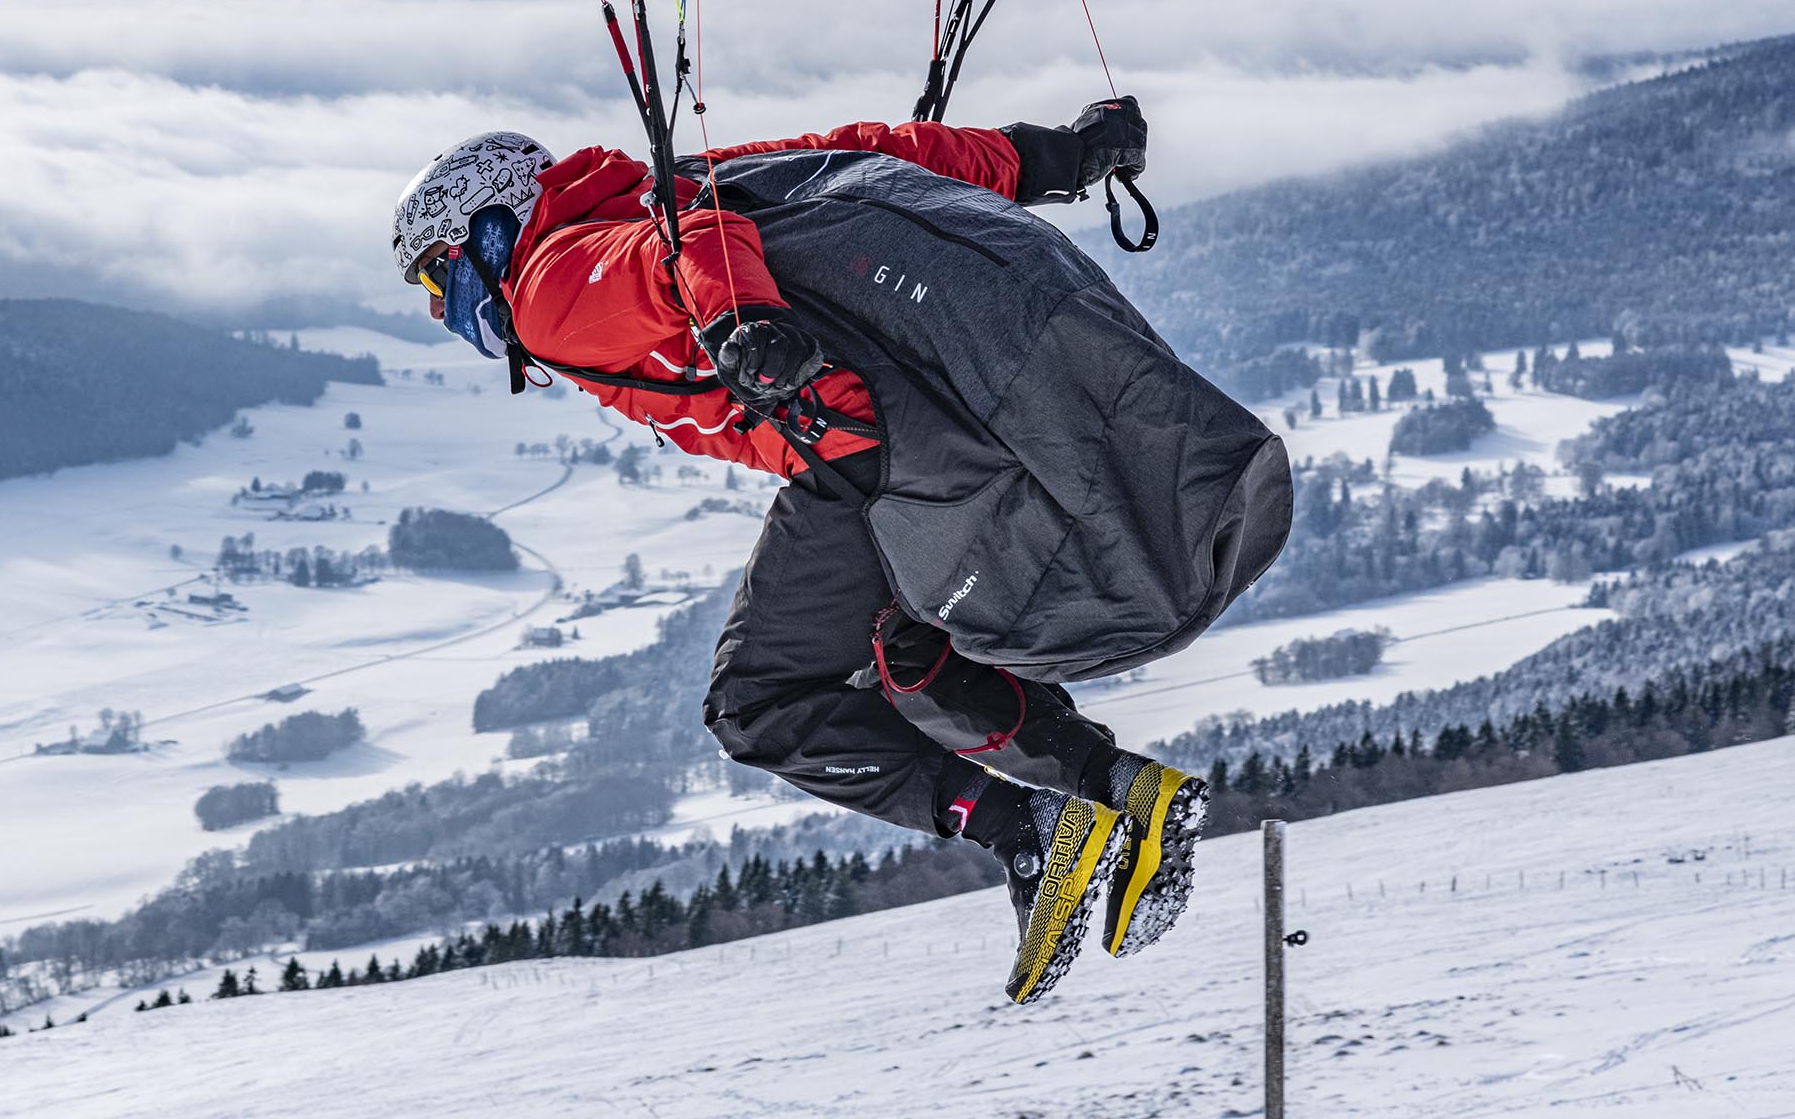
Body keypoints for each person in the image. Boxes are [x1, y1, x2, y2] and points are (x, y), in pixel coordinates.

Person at [389, 102, 1288, 1004]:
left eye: (438, 274)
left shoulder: (550, 290)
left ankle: (1031, 832)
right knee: (909, 651)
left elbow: (685, 250)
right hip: (933, 421)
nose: (441, 306)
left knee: (758, 704)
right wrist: (1054, 157)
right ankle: (1128, 792)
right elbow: (875, 162)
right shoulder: (668, 180)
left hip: (857, 455)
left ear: (488, 229)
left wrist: (745, 321)